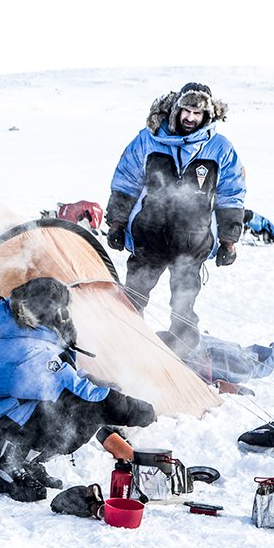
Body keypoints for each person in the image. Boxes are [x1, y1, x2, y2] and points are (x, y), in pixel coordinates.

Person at [0, 278, 157, 503]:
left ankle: (26, 460)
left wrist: (105, 387)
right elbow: (74, 392)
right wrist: (130, 409)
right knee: (72, 408)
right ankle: (9, 467)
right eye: (62, 310)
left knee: (83, 405)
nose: (67, 315)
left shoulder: (28, 332)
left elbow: (70, 375)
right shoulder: (25, 348)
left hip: (7, 414)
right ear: (48, 312)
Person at [105, 82, 246, 355]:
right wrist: (117, 222)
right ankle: (125, 348)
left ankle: (180, 355)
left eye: (198, 112)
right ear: (176, 108)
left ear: (208, 115)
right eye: (186, 110)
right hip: (148, 236)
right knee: (133, 297)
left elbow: (232, 194)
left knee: (183, 305)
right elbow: (126, 182)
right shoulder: (148, 139)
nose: (191, 117)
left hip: (192, 243)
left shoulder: (220, 149)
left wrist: (229, 239)